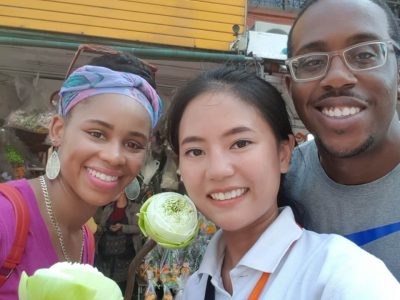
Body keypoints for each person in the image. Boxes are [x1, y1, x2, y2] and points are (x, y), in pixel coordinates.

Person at [165, 66, 400, 299]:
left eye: (240, 143)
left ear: (283, 154)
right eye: (195, 151)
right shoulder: (196, 287)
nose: (218, 170)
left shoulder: (341, 276)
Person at [0, 53, 163, 298]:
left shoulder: (85, 238)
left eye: (133, 144)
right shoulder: (7, 218)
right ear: (58, 130)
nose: (114, 156)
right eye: (97, 134)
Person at [282, 0, 400, 280]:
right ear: (290, 88)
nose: (336, 78)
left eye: (364, 55)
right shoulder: (276, 188)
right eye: (311, 62)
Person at [94, 178, 143, 294]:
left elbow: (140, 228)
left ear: (123, 191)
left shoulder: (135, 208)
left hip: (125, 259)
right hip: (105, 258)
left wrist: (123, 227)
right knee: (105, 289)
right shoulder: (108, 208)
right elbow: (102, 227)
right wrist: (104, 229)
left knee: (122, 289)